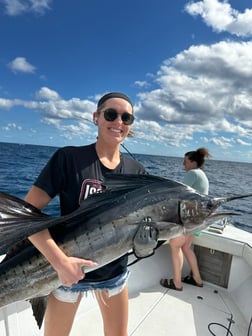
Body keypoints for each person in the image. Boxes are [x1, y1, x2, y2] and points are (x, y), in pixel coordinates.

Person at [25, 92, 146, 336]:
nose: (119, 122)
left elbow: (137, 226)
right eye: (111, 114)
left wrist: (145, 242)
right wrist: (60, 263)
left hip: (114, 275)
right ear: (96, 118)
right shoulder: (68, 158)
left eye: (126, 117)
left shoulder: (137, 171)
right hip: (67, 276)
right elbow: (27, 213)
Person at [160, 147, 210, 291]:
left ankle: (176, 283)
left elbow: (178, 193)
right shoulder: (202, 174)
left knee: (175, 245)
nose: (183, 164)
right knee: (186, 247)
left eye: (185, 161)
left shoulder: (192, 173)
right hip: (198, 219)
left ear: (193, 162)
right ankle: (197, 279)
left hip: (189, 219)